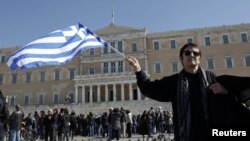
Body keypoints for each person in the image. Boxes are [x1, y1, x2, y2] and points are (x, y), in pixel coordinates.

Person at [125, 43, 230, 141]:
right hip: (185, 136)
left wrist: (226, 91)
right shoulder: (174, 82)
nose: (192, 55)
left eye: (196, 53)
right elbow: (149, 89)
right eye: (187, 53)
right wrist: (138, 70)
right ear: (181, 58)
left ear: (199, 58)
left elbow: (236, 94)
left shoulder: (211, 78)